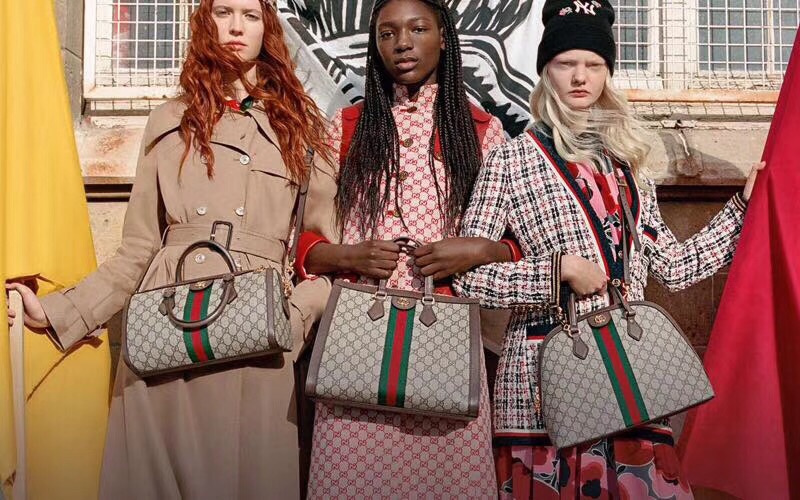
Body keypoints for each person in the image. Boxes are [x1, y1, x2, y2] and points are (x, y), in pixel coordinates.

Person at [6, 0, 338, 497]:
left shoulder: (302, 129)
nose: (236, 26)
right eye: (223, 12)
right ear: (204, 22)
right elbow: (137, 250)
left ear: (267, 28)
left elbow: (322, 251)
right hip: (168, 329)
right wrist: (59, 311)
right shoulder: (169, 121)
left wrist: (294, 319)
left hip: (259, 335)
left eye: (250, 15)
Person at [453, 1, 765, 498]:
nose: (580, 77)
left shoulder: (629, 167)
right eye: (566, 63)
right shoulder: (509, 160)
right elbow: (470, 279)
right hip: (541, 381)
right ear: (545, 71)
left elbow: (675, 268)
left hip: (627, 375)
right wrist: (557, 271)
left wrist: (743, 207)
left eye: (594, 64)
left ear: (608, 73)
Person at [292, 0, 515, 496]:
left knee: (448, 481)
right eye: (388, 33)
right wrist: (349, 256)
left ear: (444, 37)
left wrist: (475, 251)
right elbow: (303, 244)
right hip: (356, 340)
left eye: (418, 29)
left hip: (449, 341)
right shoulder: (345, 128)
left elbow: (516, 245)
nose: (403, 43)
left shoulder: (483, 133)